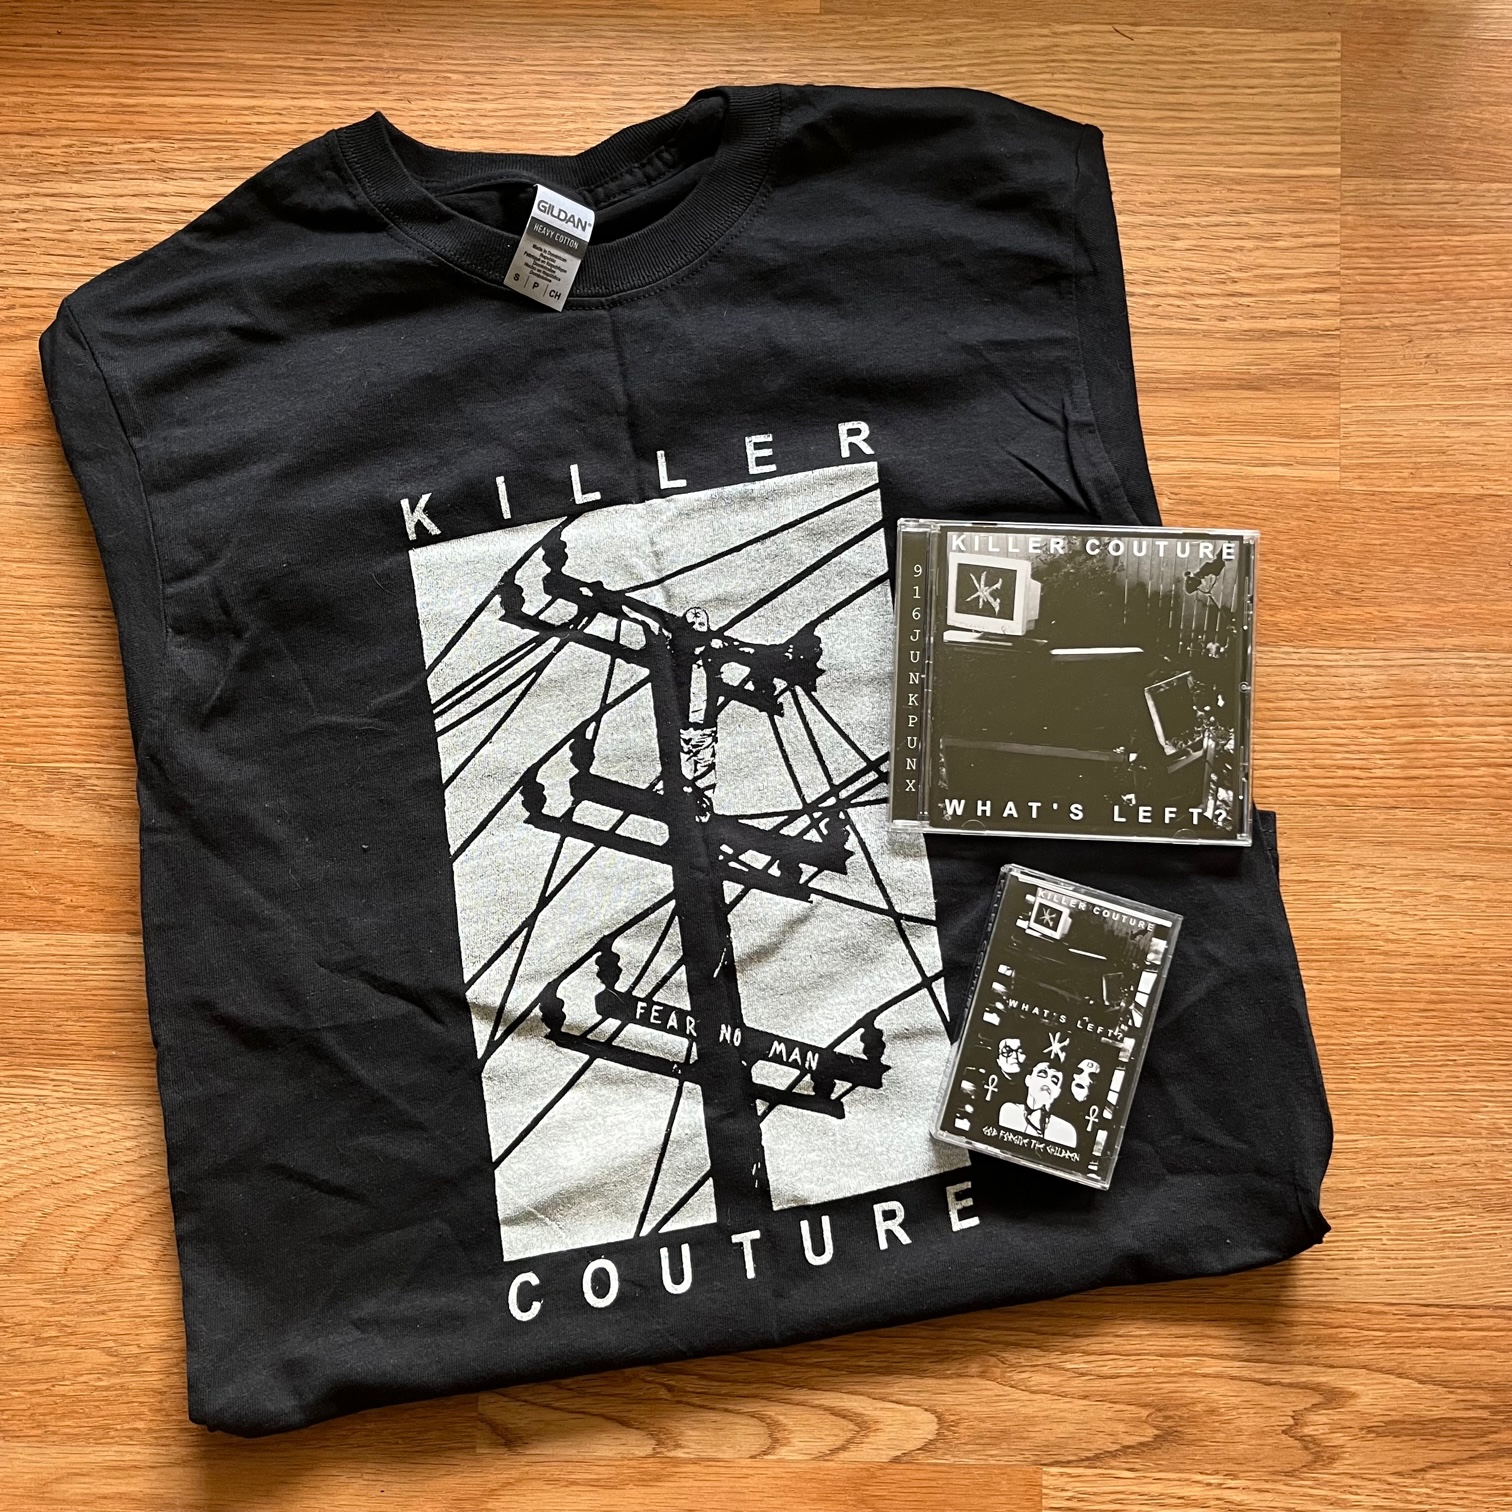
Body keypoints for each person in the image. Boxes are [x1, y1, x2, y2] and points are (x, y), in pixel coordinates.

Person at [1001, 1062, 1078, 1148]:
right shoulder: (1010, 1110)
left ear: (1057, 1092)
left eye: (1054, 1081)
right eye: (1042, 1074)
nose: (1047, 1081)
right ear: (1028, 1080)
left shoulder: (1066, 1131)